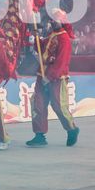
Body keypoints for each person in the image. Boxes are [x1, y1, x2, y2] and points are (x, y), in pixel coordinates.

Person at [26, 10, 80, 147]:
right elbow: (41, 48)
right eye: (52, 19)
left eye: (55, 19)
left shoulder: (64, 38)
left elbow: (62, 61)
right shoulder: (52, 35)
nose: (52, 22)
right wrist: (36, 39)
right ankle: (39, 135)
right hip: (42, 76)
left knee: (59, 105)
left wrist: (49, 77)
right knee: (38, 103)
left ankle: (71, 129)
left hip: (56, 78)